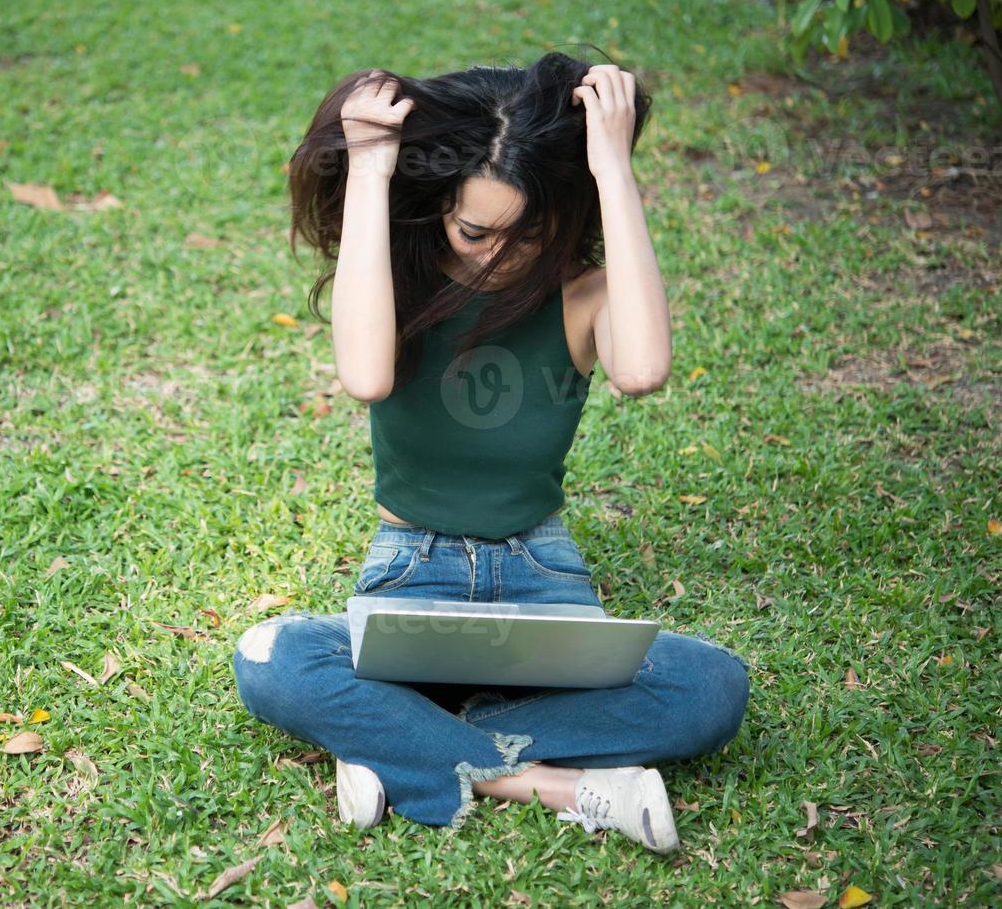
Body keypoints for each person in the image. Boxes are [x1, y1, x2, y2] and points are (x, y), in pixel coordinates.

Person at [230, 52, 751, 855]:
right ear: (439, 208)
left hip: (541, 577)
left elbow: (642, 370)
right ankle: (548, 782)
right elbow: (365, 375)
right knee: (271, 657)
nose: (498, 256)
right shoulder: (396, 278)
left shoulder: (581, 294)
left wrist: (610, 162)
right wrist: (370, 163)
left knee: (713, 687)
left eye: (528, 235)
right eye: (474, 230)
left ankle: (404, 745)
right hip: (412, 566)